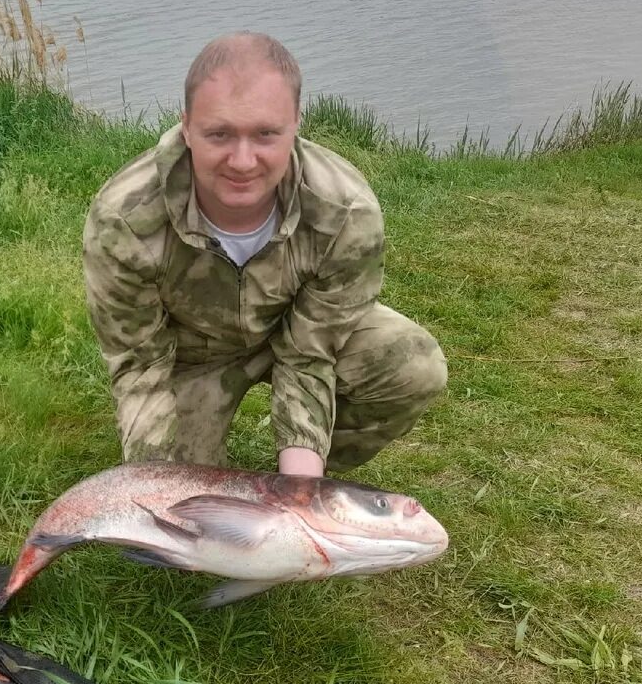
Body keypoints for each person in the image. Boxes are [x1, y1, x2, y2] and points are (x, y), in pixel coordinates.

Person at [82, 32, 446, 476]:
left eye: (265, 134)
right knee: (178, 498)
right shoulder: (124, 219)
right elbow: (141, 368)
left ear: (296, 124)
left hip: (296, 329)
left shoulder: (346, 212)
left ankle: (300, 485)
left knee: (413, 366)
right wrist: (158, 486)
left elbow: (310, 355)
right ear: (187, 128)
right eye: (219, 134)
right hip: (191, 355)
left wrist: (298, 494)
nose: (242, 160)